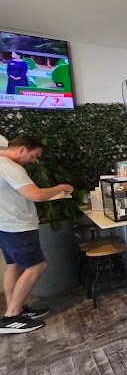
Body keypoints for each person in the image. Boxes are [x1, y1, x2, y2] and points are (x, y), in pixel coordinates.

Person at [0, 136, 73, 334]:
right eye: (33, 156)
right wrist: (61, 188)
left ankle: (16, 309)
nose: (33, 161)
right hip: (18, 226)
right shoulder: (10, 167)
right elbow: (36, 195)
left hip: (5, 226)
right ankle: (11, 317)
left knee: (13, 266)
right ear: (22, 150)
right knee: (36, 266)